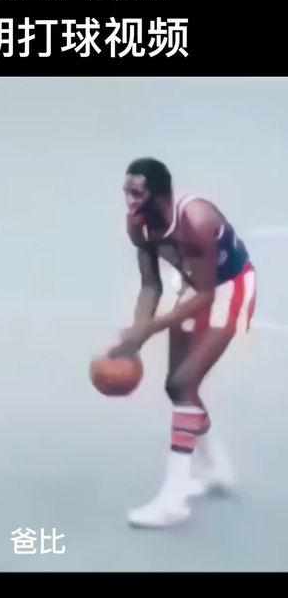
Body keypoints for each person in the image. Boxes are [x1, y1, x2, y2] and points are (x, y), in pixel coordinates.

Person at [112, 158, 256, 527]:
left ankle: (173, 500)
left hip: (229, 288)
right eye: (126, 192)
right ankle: (218, 468)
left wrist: (149, 329)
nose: (129, 200)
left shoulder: (197, 219)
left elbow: (208, 294)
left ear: (159, 193)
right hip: (195, 286)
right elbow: (150, 286)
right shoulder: (138, 224)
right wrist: (137, 333)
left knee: (183, 382)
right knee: (177, 387)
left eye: (136, 193)